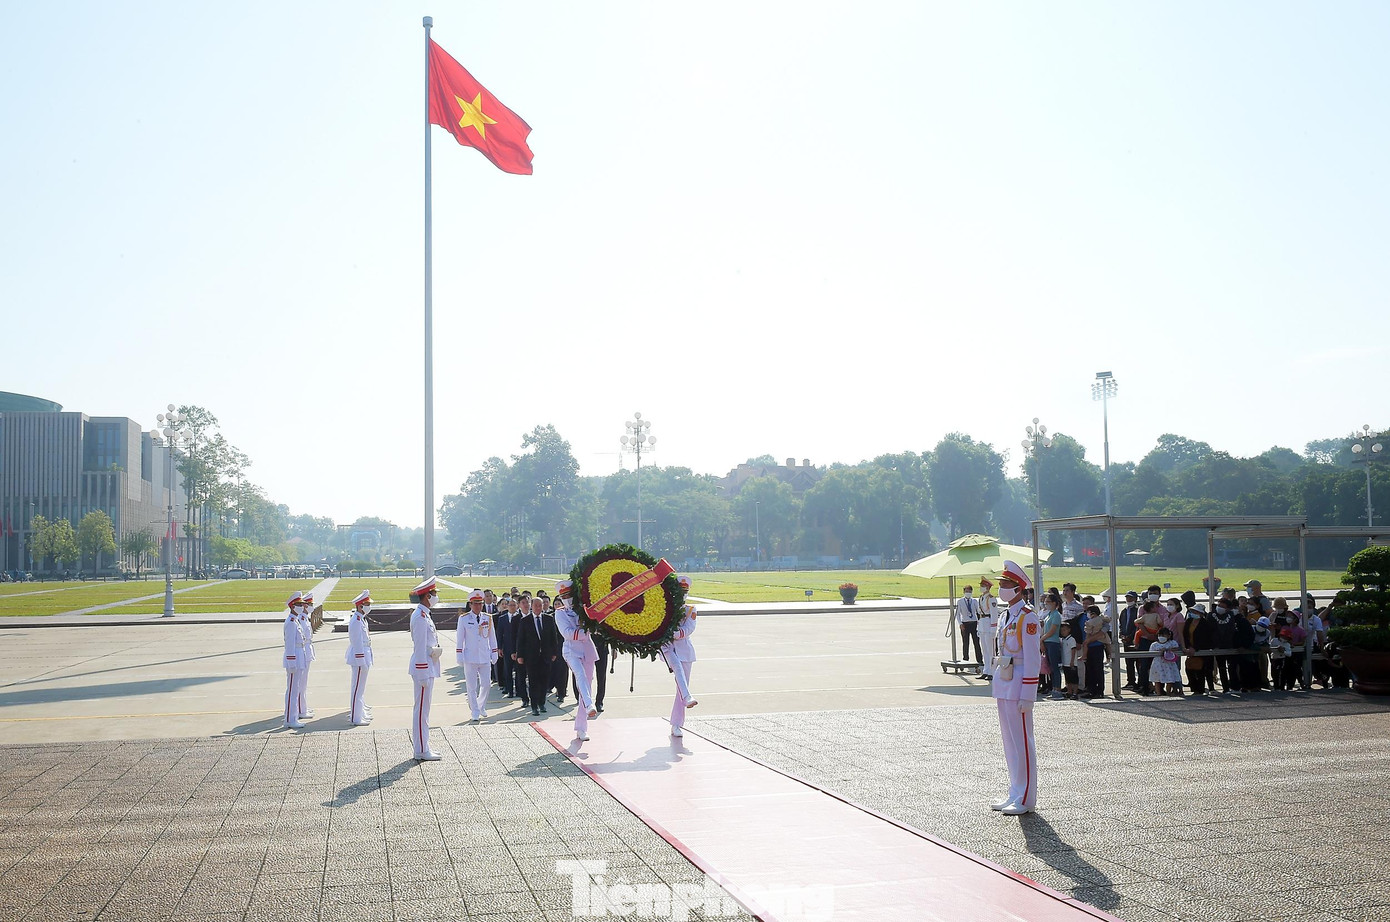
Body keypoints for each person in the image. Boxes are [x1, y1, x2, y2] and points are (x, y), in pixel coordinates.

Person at [989, 561, 1040, 815]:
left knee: (1023, 742)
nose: (1001, 588)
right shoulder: (1005, 615)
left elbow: (1033, 657)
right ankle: (1015, 790)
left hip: (1020, 683)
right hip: (1005, 680)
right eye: (1001, 584)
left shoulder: (1027, 617)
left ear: (1019, 588)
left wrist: (1029, 695)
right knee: (1009, 741)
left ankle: (1026, 797)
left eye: (1006, 584)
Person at [553, 579, 599, 741]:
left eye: (569, 595)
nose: (568, 599)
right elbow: (566, 632)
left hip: (587, 650)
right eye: (564, 596)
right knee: (579, 676)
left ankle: (581, 727)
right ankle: (589, 704)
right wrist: (584, 631)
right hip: (571, 651)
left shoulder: (583, 610)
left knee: (586, 683)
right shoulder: (560, 613)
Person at [408, 578, 443, 760]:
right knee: (421, 710)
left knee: (424, 710)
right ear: (427, 596)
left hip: (428, 666)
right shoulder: (420, 618)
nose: (437, 597)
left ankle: (423, 745)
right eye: (435, 594)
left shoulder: (424, 615)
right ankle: (421, 750)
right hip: (423, 668)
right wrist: (422, 673)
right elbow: (420, 648)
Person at [662, 575, 699, 738]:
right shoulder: (665, 608)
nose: (683, 594)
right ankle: (688, 696)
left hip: (685, 650)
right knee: (676, 668)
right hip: (668, 647)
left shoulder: (690, 609)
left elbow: (690, 628)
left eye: (685, 591)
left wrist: (675, 633)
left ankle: (676, 724)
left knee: (681, 685)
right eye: (680, 591)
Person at [456, 589, 499, 722]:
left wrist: (494, 651)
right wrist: (459, 654)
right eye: (475, 603)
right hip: (470, 656)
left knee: (486, 684)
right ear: (470, 604)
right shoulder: (464, 619)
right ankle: (474, 710)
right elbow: (460, 638)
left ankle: (481, 705)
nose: (478, 606)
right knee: (471, 686)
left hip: (484, 655)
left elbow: (492, 637)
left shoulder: (488, 617)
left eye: (480, 603)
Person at [516, 594, 559, 716]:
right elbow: (521, 639)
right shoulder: (525, 621)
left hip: (546, 656)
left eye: (540, 605)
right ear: (531, 607)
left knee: (544, 681)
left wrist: (554, 652)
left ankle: (542, 703)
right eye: (536, 605)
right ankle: (534, 706)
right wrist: (520, 655)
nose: (538, 607)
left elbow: (553, 637)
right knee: (533, 682)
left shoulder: (548, 619)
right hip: (531, 657)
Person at [345, 590, 374, 726]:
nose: (369, 606)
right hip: (359, 658)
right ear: (360, 606)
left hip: (365, 655)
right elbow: (356, 643)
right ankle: (355, 718)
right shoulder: (356, 621)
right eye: (367, 604)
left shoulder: (361, 619)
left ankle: (360, 713)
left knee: (360, 688)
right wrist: (361, 661)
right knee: (357, 688)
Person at [282, 591, 307, 729]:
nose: (301, 607)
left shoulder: (295, 621)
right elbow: (289, 644)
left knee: (295, 688)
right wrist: (291, 662)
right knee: (292, 689)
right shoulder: (291, 622)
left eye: (302, 604)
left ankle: (293, 717)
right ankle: (289, 719)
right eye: (298, 604)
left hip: (299, 656)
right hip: (294, 658)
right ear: (292, 606)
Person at [295, 590, 317, 720]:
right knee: (301, 682)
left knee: (304, 682)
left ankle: (303, 706)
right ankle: (300, 709)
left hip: (307, 650)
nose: (311, 606)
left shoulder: (304, 618)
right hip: (303, 651)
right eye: (309, 604)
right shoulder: (300, 619)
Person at [1040, 592, 1064, 700]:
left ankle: (1057, 689)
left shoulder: (1056, 615)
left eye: (1048, 602)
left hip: (1053, 642)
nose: (1046, 604)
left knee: (1055, 667)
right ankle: (1053, 688)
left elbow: (1052, 631)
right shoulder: (1049, 614)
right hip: (1047, 642)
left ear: (1054, 603)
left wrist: (1042, 638)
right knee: (1050, 667)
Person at [1149, 627, 1183, 695]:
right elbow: (1151, 653)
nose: (1161, 637)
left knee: (1170, 679)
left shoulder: (1172, 643)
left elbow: (1177, 648)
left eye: (1163, 635)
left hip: (1169, 664)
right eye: (1160, 635)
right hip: (1158, 664)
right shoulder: (1154, 644)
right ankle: (1158, 693)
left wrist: (1168, 649)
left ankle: (1168, 692)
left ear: (1168, 635)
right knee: (1157, 680)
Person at [956, 586, 983, 666]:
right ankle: (965, 659)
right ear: (964, 592)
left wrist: (979, 622)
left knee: (976, 643)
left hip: (974, 623)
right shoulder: (960, 601)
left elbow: (978, 611)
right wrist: (960, 623)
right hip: (965, 623)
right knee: (965, 643)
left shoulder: (974, 601)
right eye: (966, 591)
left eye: (969, 591)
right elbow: (957, 614)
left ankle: (979, 660)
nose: (968, 593)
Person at [977, 578, 997, 679]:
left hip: (989, 624)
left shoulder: (991, 598)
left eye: (983, 586)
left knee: (990, 650)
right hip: (982, 624)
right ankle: (986, 670)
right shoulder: (981, 597)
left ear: (988, 587)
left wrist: (994, 628)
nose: (981, 588)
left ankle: (992, 671)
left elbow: (994, 614)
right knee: (984, 649)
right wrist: (978, 628)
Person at [1058, 622, 1079, 700]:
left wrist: (1072, 661)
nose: (1063, 632)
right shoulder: (1063, 640)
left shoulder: (1071, 639)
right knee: (1068, 678)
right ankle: (1069, 692)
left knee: (1074, 678)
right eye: (1062, 630)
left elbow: (1073, 650)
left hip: (1071, 662)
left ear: (1069, 630)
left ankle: (1075, 692)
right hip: (1065, 662)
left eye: (1064, 630)